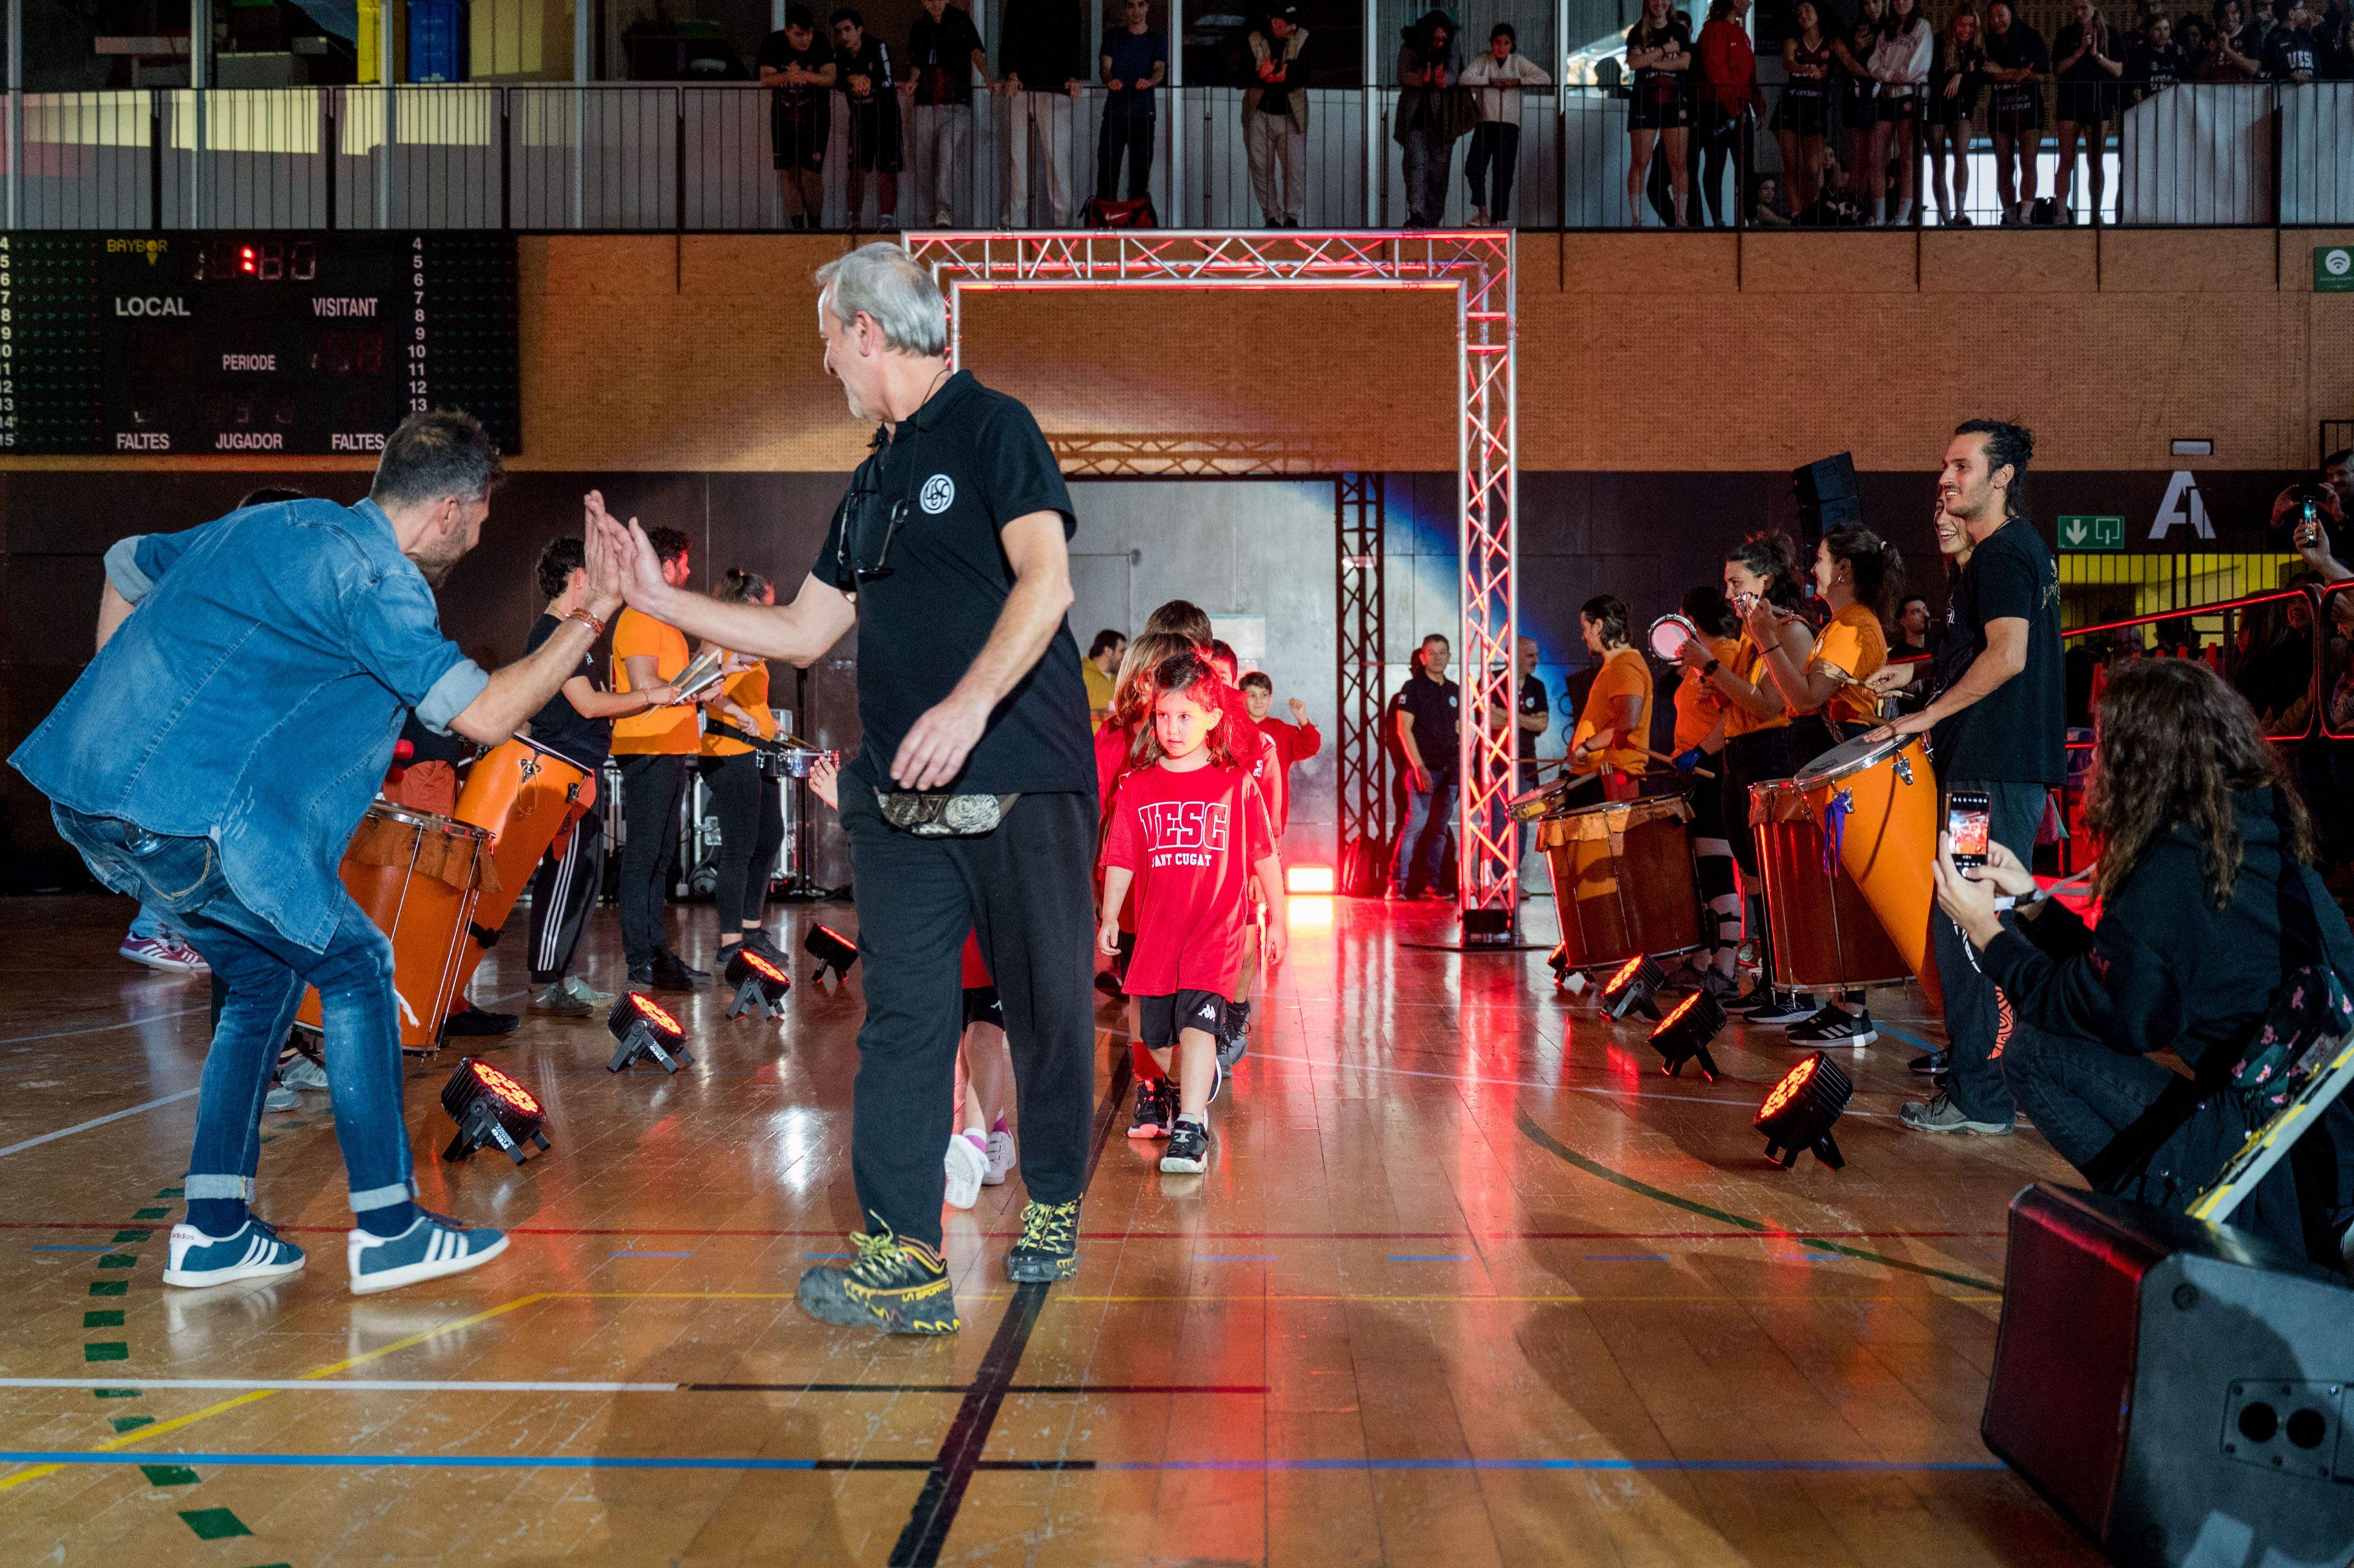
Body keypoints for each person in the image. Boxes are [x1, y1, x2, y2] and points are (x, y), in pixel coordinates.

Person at [11, 413, 628, 1296]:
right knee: (358, 966)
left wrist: (127, 716)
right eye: (484, 520)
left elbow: (124, 562)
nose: (481, 535)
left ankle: (216, 1229)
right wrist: (590, 612)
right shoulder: (379, 579)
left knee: (263, 980)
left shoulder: (271, 522)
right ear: (450, 511)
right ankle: (388, 1228)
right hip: (192, 819)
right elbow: (487, 718)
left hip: (86, 796)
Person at [611, 243, 1098, 1334]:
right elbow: (801, 628)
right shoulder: (872, 476)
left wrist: (972, 703)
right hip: (898, 806)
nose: (824, 356)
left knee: (1049, 1009)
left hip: (1023, 783)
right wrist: (658, 598)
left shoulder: (993, 427)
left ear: (868, 332)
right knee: (905, 1024)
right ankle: (903, 1257)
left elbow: (1047, 579)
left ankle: (1055, 1198)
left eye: (829, 335)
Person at [1937, 658, 2354, 1259]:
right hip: (2321, 1137)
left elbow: (2111, 1017)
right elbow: (2121, 977)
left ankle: (2169, 1237)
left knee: (2033, 1054)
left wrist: (1985, 932)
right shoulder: (2253, 835)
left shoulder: (2167, 873)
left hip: (2267, 1156)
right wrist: (2028, 902)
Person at [1873, 420, 2065, 1135]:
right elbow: (1987, 650)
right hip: (1990, 771)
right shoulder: (1998, 556)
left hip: (1989, 774)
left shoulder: (2004, 555)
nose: (1947, 478)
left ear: (2002, 476)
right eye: (1944, 465)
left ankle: (1985, 1097)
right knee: (1971, 922)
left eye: (1961, 465)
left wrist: (1924, 719)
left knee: (1968, 926)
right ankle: (1987, 1084)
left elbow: (2008, 656)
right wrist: (1920, 672)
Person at [1098, 650, 1286, 1177]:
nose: (1173, 727)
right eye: (1163, 716)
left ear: (1210, 717)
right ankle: (1165, 1092)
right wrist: (1111, 913)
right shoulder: (1136, 787)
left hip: (1214, 932)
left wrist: (1280, 918)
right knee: (1156, 1037)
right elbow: (1120, 855)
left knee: (1199, 1028)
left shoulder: (1234, 784)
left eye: (1185, 716)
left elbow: (1264, 855)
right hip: (1159, 934)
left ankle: (1191, 1124)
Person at [1751, 524, 1903, 1046]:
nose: (1809, 568)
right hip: (1830, 764)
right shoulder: (1840, 624)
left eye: (1818, 559)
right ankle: (1843, 999)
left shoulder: (1852, 625)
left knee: (1842, 881)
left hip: (1843, 768)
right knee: (1831, 879)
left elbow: (1806, 701)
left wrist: (1766, 641)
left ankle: (1853, 1007)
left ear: (1842, 570)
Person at [522, 535, 679, 1020]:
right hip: (564, 772)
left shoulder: (575, 635)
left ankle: (563, 976)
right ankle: (547, 982)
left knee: (584, 878)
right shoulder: (554, 633)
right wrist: (651, 696)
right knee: (565, 873)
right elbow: (588, 705)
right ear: (582, 579)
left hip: (583, 770)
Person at [1678, 532, 1814, 1026]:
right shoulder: (1749, 642)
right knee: (1754, 875)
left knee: (1775, 876)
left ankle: (1793, 987)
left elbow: (1768, 704)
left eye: (1739, 583)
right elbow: (1735, 702)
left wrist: (1710, 665)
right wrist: (1712, 681)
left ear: (1766, 581)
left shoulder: (1787, 630)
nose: (1732, 593)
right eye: (1728, 583)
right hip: (1741, 754)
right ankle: (1771, 982)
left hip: (1772, 754)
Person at [610, 525, 709, 995]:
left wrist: (702, 684)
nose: (688, 571)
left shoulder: (664, 620)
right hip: (646, 746)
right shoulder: (639, 619)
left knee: (661, 857)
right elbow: (642, 683)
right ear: (665, 566)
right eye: (683, 563)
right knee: (644, 857)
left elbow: (669, 684)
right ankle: (641, 959)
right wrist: (686, 688)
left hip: (669, 745)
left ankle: (658, 951)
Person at [698, 569, 789, 966]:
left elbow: (750, 694)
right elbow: (705, 690)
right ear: (748, 602)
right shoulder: (720, 637)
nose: (769, 612)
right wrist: (738, 712)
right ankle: (731, 943)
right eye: (765, 604)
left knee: (770, 835)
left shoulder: (750, 640)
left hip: (757, 746)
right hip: (727, 747)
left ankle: (752, 929)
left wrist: (768, 720)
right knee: (740, 844)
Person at [1669, 586, 1744, 994]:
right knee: (1703, 876)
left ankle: (1726, 970)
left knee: (1717, 875)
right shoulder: (1704, 658)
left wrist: (1699, 752)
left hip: (1715, 768)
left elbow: (1734, 718)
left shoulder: (1726, 655)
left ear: (1692, 620)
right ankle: (1703, 963)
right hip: (1699, 769)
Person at [997, 0, 1087, 227]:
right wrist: (1011, 73)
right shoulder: (1017, 4)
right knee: (1017, 159)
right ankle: (1013, 225)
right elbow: (1009, 39)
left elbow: (1074, 43)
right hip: (1020, 88)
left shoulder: (1069, 6)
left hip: (1056, 89)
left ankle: (1062, 226)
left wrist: (1074, 76)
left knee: (1057, 159)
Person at [902, 0, 990, 228]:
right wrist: (913, 81)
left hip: (956, 101)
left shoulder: (961, 21)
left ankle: (944, 211)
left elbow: (976, 52)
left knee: (947, 155)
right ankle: (928, 214)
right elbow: (917, 62)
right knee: (923, 162)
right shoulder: (919, 26)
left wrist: (989, 79)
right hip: (925, 102)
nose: (933, 3)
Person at [1388, 633, 1460, 899]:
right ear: (1423, 656)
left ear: (1450, 657)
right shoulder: (1413, 688)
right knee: (1415, 825)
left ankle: (1433, 884)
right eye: (1433, 653)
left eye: (1444, 653)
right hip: (1424, 769)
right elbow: (1403, 730)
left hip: (1450, 772)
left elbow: (1462, 730)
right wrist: (1419, 768)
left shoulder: (1455, 691)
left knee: (1440, 830)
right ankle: (1397, 884)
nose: (1439, 658)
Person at [1462, 22, 1549, 226]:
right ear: (1491, 43)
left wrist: (1515, 81)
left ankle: (1496, 220)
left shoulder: (1518, 62)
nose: (1501, 47)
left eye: (1506, 43)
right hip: (1485, 123)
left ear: (1512, 45)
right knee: (1474, 167)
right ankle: (1482, 213)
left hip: (1509, 125)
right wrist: (1491, 82)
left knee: (1503, 174)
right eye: (1497, 42)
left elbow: (1544, 78)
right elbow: (1465, 78)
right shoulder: (1484, 60)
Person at [759, 5, 836, 231]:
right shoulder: (773, 43)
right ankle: (797, 227)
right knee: (789, 172)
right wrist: (787, 75)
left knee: (811, 175)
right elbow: (765, 78)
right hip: (783, 118)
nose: (805, 40)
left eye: (809, 33)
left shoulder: (821, 42)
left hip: (815, 119)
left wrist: (805, 76)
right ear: (788, 31)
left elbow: (831, 77)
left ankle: (815, 227)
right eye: (799, 35)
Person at [1567, 596, 1651, 801]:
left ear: (1598, 626)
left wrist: (1584, 748)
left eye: (1584, 628)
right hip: (1598, 775)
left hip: (1612, 776)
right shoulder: (1615, 665)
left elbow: (1627, 722)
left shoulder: (1625, 665)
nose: (1583, 636)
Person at [832, 8, 904, 229]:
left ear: (859, 30)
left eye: (848, 30)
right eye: (838, 31)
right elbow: (838, 81)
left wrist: (867, 81)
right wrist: (853, 78)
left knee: (887, 172)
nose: (843, 36)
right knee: (856, 171)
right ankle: (854, 221)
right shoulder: (839, 53)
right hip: (860, 118)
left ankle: (886, 223)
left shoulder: (878, 47)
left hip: (886, 118)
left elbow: (888, 80)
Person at [1625, 0, 1695, 226]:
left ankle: (1680, 218)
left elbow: (1685, 63)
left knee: (1678, 163)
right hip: (1645, 102)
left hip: (1675, 101)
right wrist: (1664, 51)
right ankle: (1637, 220)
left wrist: (1651, 63)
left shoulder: (1679, 30)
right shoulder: (1638, 32)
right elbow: (1634, 64)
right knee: (1640, 162)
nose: (1660, 3)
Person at [2052, 0, 2124, 223]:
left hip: (2098, 102)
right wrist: (2080, 51)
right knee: (2066, 159)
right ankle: (2062, 214)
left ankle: (2095, 213)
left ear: (2094, 7)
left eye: (2084, 8)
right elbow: (2057, 69)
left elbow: (2119, 70)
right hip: (2069, 102)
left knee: (2096, 160)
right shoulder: (2065, 34)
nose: (2079, 13)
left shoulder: (2110, 34)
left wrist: (2097, 56)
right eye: (2075, 9)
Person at [1245, 5, 1310, 227]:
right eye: (1287, 22)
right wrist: (1260, 75)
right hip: (1260, 114)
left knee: (1294, 170)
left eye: (1294, 21)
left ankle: (1292, 219)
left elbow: (1310, 72)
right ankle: (1271, 218)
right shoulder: (1255, 38)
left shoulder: (1302, 37)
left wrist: (1286, 76)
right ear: (1274, 21)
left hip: (1292, 116)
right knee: (1261, 168)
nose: (1293, 27)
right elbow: (1239, 75)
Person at [1985, 0, 2049, 224]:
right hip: (2000, 111)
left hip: (2029, 110)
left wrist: (2004, 72)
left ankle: (2025, 216)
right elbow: (1987, 74)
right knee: (2004, 166)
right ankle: (2011, 217)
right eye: (1992, 17)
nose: (1997, 21)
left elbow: (2041, 74)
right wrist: (2015, 73)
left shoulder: (2031, 37)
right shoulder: (1986, 42)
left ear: (2011, 14)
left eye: (2001, 15)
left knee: (2028, 162)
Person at [1868, 0, 1932, 224]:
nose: (1901, 3)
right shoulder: (1887, 29)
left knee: (1907, 157)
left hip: (1910, 94)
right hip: (1887, 94)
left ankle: (1903, 217)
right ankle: (1879, 217)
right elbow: (1874, 62)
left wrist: (1900, 76)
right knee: (1876, 157)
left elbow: (1920, 62)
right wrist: (1888, 76)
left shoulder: (1922, 26)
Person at [1396, 10, 1462, 228]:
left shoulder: (1451, 46)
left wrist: (1443, 80)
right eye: (1435, 39)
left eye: (1443, 39)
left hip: (1442, 119)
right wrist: (1421, 79)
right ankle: (1417, 214)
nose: (1439, 43)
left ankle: (1433, 220)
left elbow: (1454, 73)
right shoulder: (1410, 46)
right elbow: (1402, 75)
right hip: (1415, 116)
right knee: (1416, 165)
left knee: (1438, 173)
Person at [1097, 0, 1167, 205]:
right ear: (1126, 9)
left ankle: (1136, 226)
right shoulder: (1114, 36)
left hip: (1143, 114)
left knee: (1140, 175)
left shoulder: (1157, 38)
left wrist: (1150, 82)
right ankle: (1105, 225)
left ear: (1148, 7)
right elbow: (1105, 68)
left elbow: (1160, 69)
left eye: (1140, 4)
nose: (1136, 10)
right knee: (1108, 172)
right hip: (1115, 113)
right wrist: (1110, 80)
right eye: (1131, 5)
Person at [1240, 671, 1321, 834]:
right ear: (1243, 698)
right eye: (1252, 695)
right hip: (1239, 811)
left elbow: (1311, 745)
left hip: (1271, 815)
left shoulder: (1282, 731)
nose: (1259, 701)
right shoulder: (1234, 728)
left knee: (1269, 858)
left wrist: (1302, 719)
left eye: (1264, 695)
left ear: (1271, 699)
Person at [1928, 3, 1986, 223]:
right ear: (1954, 24)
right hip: (1937, 105)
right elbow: (1933, 74)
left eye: (1971, 26)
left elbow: (1980, 78)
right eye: (1962, 24)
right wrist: (1960, 74)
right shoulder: (1939, 41)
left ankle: (1960, 211)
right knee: (1938, 163)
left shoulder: (1978, 49)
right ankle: (1945, 216)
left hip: (1963, 107)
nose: (1966, 30)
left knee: (1961, 152)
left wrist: (1961, 75)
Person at [1776, 0, 1834, 217]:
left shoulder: (1830, 42)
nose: (1803, 15)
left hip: (1816, 107)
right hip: (1791, 105)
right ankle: (1796, 215)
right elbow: (1788, 63)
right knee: (1791, 165)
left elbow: (1848, 61)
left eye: (1808, 9)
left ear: (1819, 13)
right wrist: (1806, 68)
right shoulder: (1793, 41)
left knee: (1812, 168)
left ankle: (1810, 211)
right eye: (1799, 12)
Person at [1829, 0, 1884, 225]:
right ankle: (1853, 212)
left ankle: (1875, 213)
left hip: (1881, 99)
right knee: (1859, 158)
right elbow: (1847, 61)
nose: (1872, 8)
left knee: (1876, 159)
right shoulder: (1850, 32)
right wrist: (1857, 54)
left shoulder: (1890, 30)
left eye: (1877, 2)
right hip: (1856, 98)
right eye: (1868, 3)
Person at [2261, 0, 2321, 80]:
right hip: (2286, 90)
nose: (2306, 12)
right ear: (2291, 14)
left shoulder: (2305, 37)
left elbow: (2318, 68)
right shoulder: (2275, 39)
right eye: (2302, 8)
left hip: (2310, 90)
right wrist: (2288, 76)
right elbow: (2266, 72)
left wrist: (2310, 31)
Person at [1083, 628, 1126, 727]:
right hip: (1088, 741)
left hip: (1114, 741)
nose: (1124, 657)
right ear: (1108, 651)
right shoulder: (1082, 674)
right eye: (1122, 651)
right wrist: (1097, 714)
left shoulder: (1119, 678)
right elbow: (1067, 712)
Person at [1892, 592, 1933, 659]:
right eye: (1916, 611)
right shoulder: (1896, 656)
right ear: (1903, 621)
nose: (1926, 615)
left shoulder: (1941, 649)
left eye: (1926, 610)